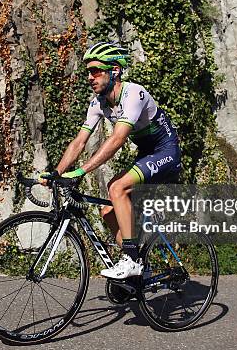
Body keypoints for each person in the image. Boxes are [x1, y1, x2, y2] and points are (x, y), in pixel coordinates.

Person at [42, 41, 181, 279]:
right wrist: (56, 173)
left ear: (114, 71)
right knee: (108, 211)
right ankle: (138, 265)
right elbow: (79, 142)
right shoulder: (98, 103)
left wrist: (81, 171)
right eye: (88, 72)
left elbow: (117, 140)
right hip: (147, 154)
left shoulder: (133, 94)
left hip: (165, 151)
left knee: (117, 187)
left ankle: (131, 260)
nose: (90, 77)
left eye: (96, 70)